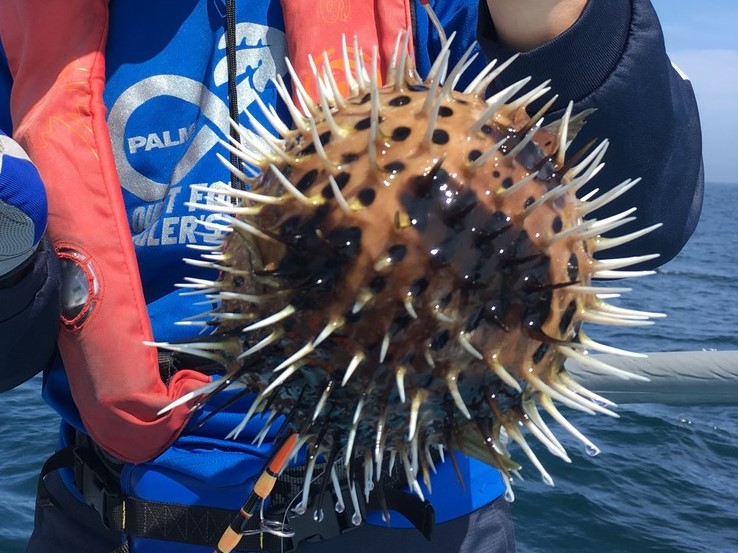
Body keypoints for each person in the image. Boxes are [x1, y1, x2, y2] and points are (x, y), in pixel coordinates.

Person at [0, 0, 703, 552]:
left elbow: (652, 213)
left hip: (417, 515)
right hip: (107, 518)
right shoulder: (20, 28)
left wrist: (559, 29)